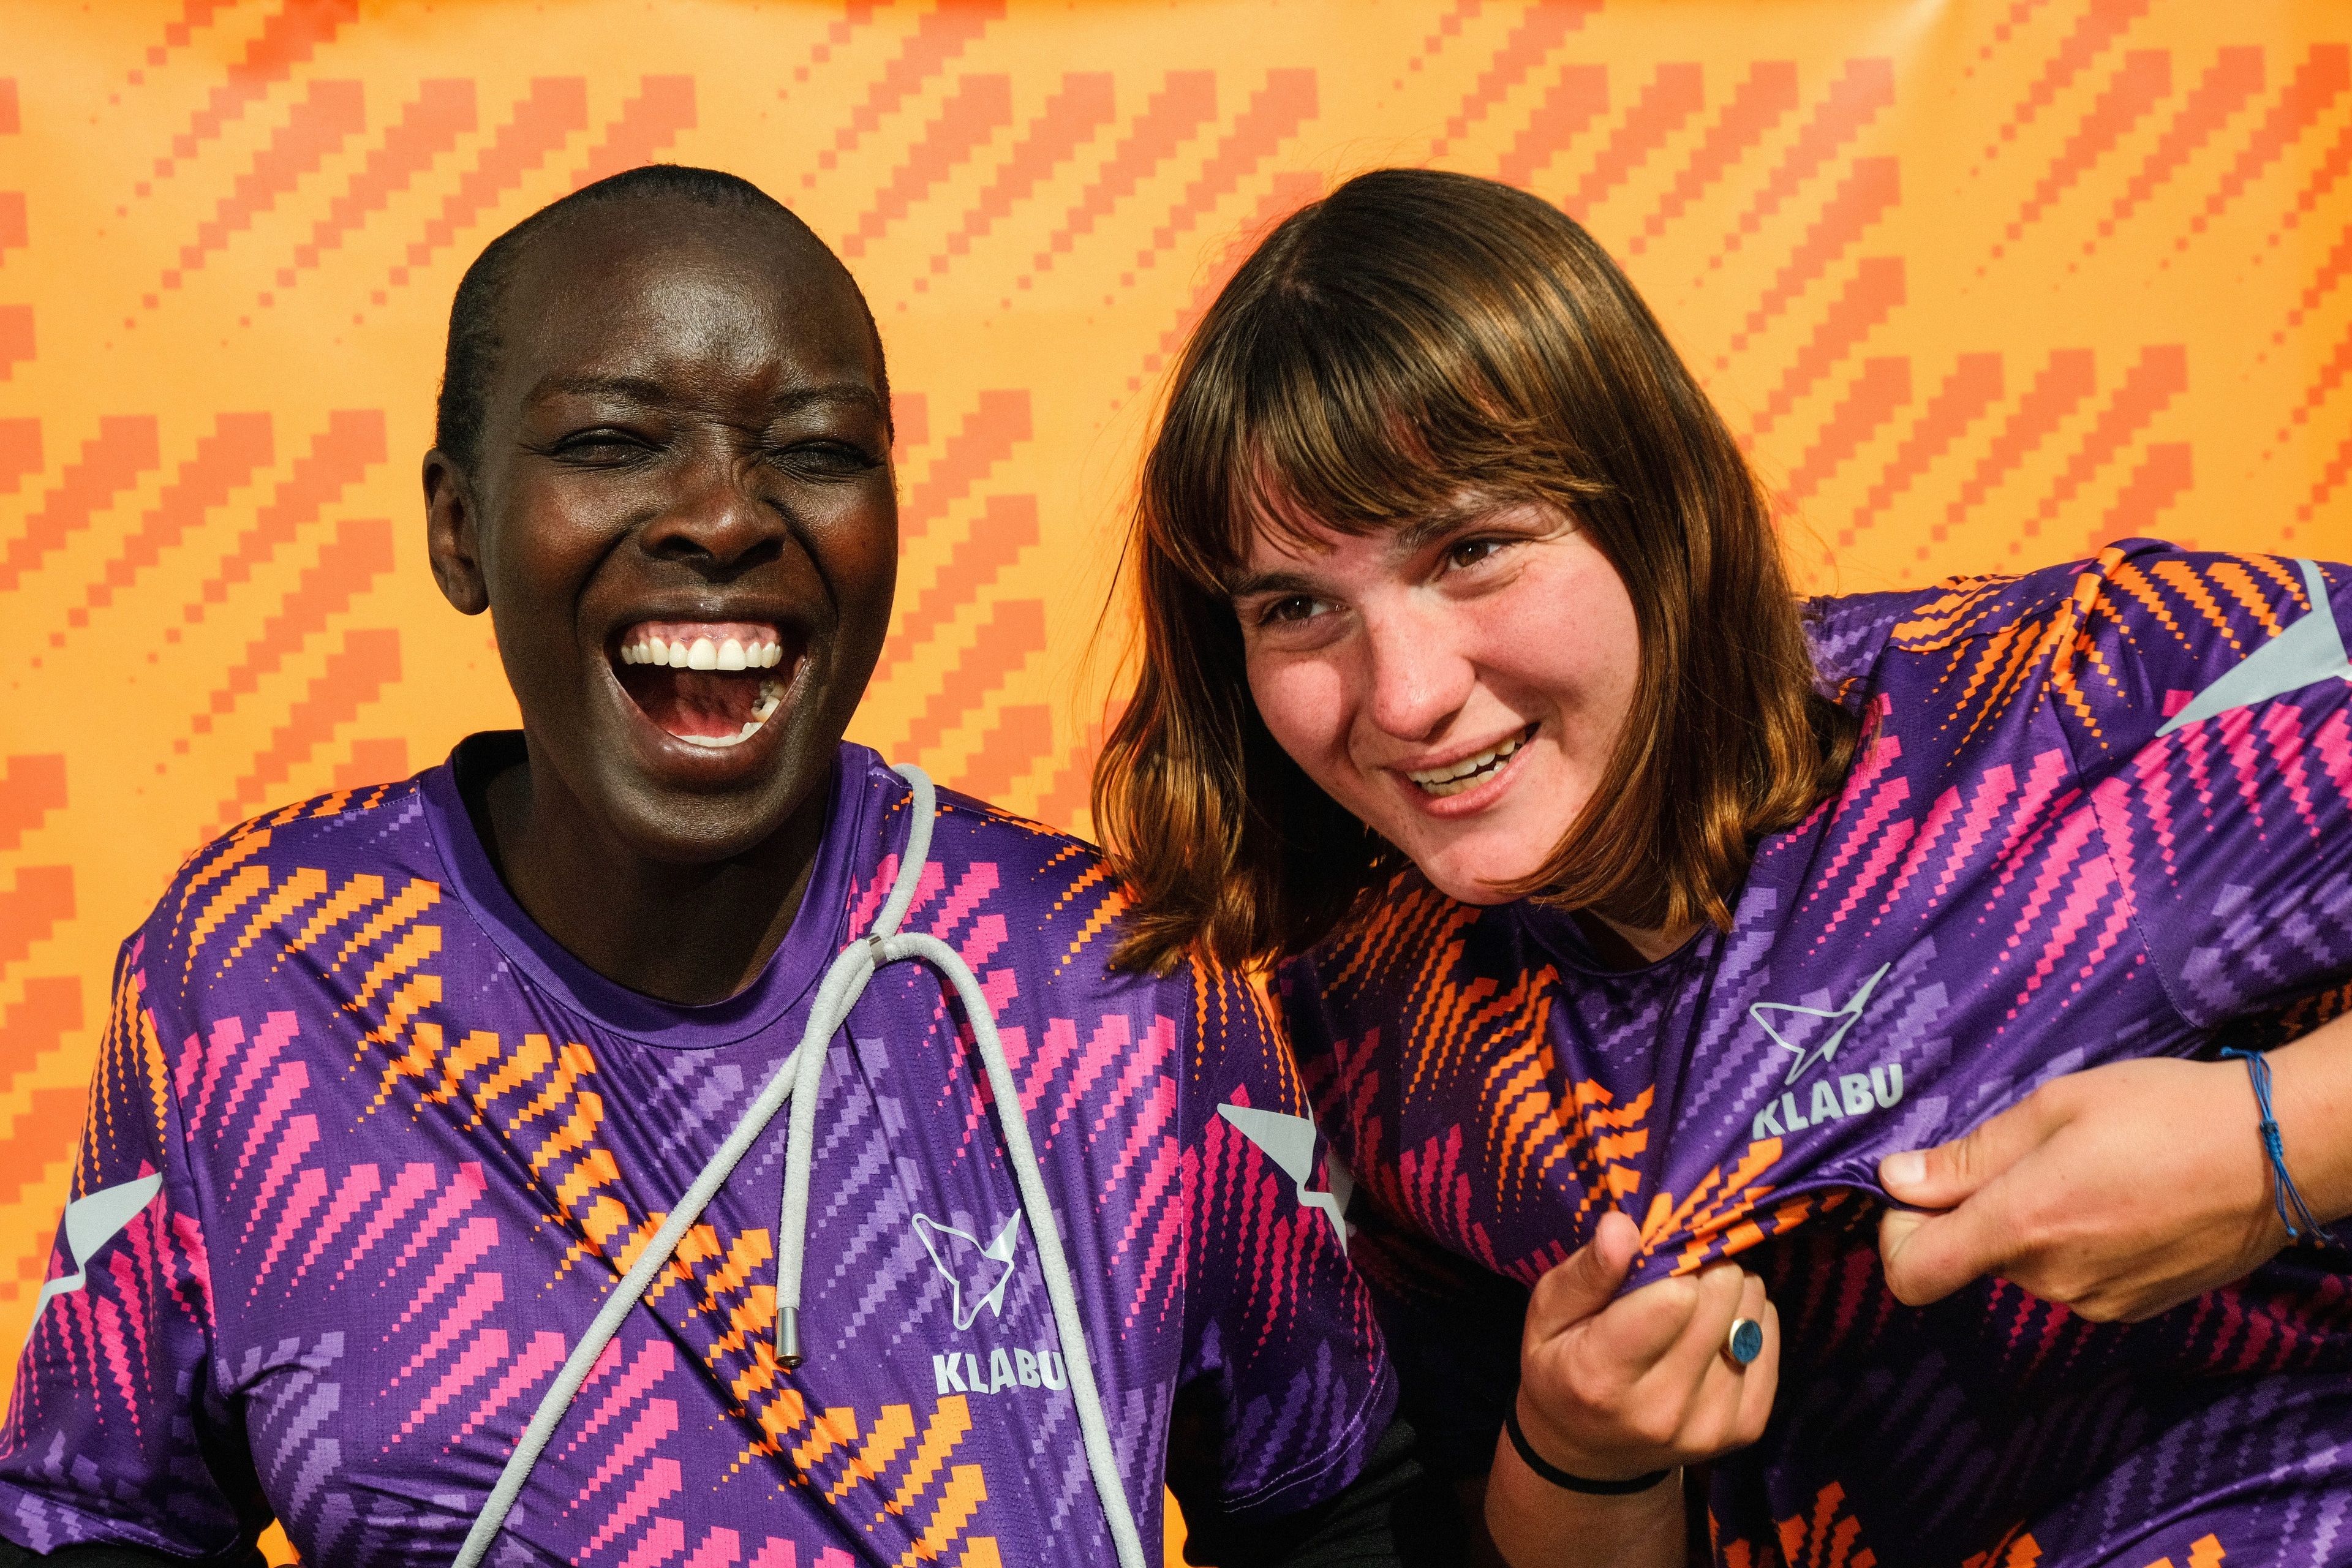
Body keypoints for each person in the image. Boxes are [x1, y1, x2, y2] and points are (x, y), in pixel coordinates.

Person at [0, 166, 1420, 1567]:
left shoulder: (1110, 984)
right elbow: (94, 1513)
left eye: (815, 449)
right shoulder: (263, 968)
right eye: (614, 442)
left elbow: (1337, 1503)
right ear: (456, 525)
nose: (726, 515)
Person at [1091, 166, 2352, 1567]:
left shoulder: (2085, 695)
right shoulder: (1362, 1031)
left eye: (1475, 549)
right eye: (1297, 606)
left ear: (1655, 499)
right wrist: (1579, 1454)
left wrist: (2279, 1142)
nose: (1401, 694)